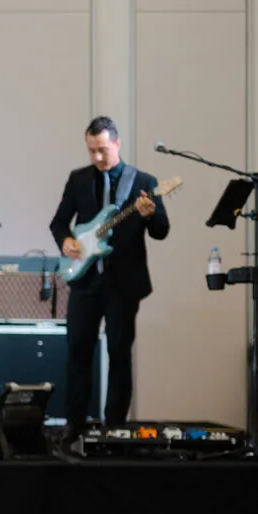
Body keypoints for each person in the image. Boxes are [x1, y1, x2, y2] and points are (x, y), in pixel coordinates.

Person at [50, 116, 168, 441]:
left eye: (102, 150)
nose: (98, 158)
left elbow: (161, 231)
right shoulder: (78, 180)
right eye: (92, 151)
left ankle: (114, 425)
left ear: (116, 143)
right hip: (86, 282)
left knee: (119, 352)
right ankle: (74, 424)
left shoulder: (143, 181)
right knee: (77, 351)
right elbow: (59, 222)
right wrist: (66, 242)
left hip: (123, 285)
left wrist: (151, 214)